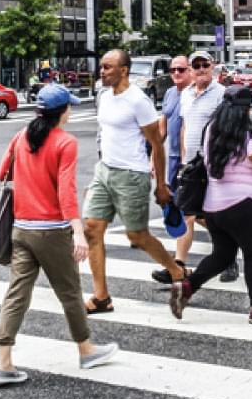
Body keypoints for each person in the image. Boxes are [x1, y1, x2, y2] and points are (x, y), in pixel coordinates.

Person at [0, 84, 119, 386]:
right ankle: (86, 349)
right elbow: (66, 191)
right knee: (70, 293)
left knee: (17, 295)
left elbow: (2, 175)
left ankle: (4, 362)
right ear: (62, 111)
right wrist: (77, 230)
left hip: (21, 229)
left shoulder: (21, 136)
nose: (71, 111)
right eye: (69, 107)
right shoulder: (65, 142)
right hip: (51, 231)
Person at [170, 85, 252, 324]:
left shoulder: (210, 129)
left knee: (222, 255)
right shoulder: (245, 137)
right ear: (246, 110)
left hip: (214, 206)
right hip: (243, 204)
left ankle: (188, 287)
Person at [83, 49, 183, 314]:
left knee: (137, 236)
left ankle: (176, 271)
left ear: (123, 70)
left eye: (107, 67)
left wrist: (161, 185)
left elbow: (156, 144)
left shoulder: (138, 101)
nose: (102, 71)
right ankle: (101, 297)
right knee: (92, 229)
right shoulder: (104, 96)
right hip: (104, 170)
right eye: (101, 67)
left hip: (132, 175)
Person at [161, 50, 231, 283]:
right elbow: (184, 128)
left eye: (205, 64)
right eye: (196, 65)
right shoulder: (186, 95)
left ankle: (229, 257)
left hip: (213, 164)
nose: (201, 69)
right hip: (191, 165)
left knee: (214, 216)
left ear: (213, 67)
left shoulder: (222, 94)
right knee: (187, 214)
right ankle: (178, 265)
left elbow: (229, 128)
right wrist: (182, 159)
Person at [159, 55, 191, 190]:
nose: (176, 73)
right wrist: (152, 158)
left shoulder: (194, 93)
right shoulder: (169, 93)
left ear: (189, 70)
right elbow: (162, 128)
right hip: (173, 156)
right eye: (173, 70)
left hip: (191, 158)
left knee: (188, 202)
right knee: (170, 197)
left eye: (181, 69)